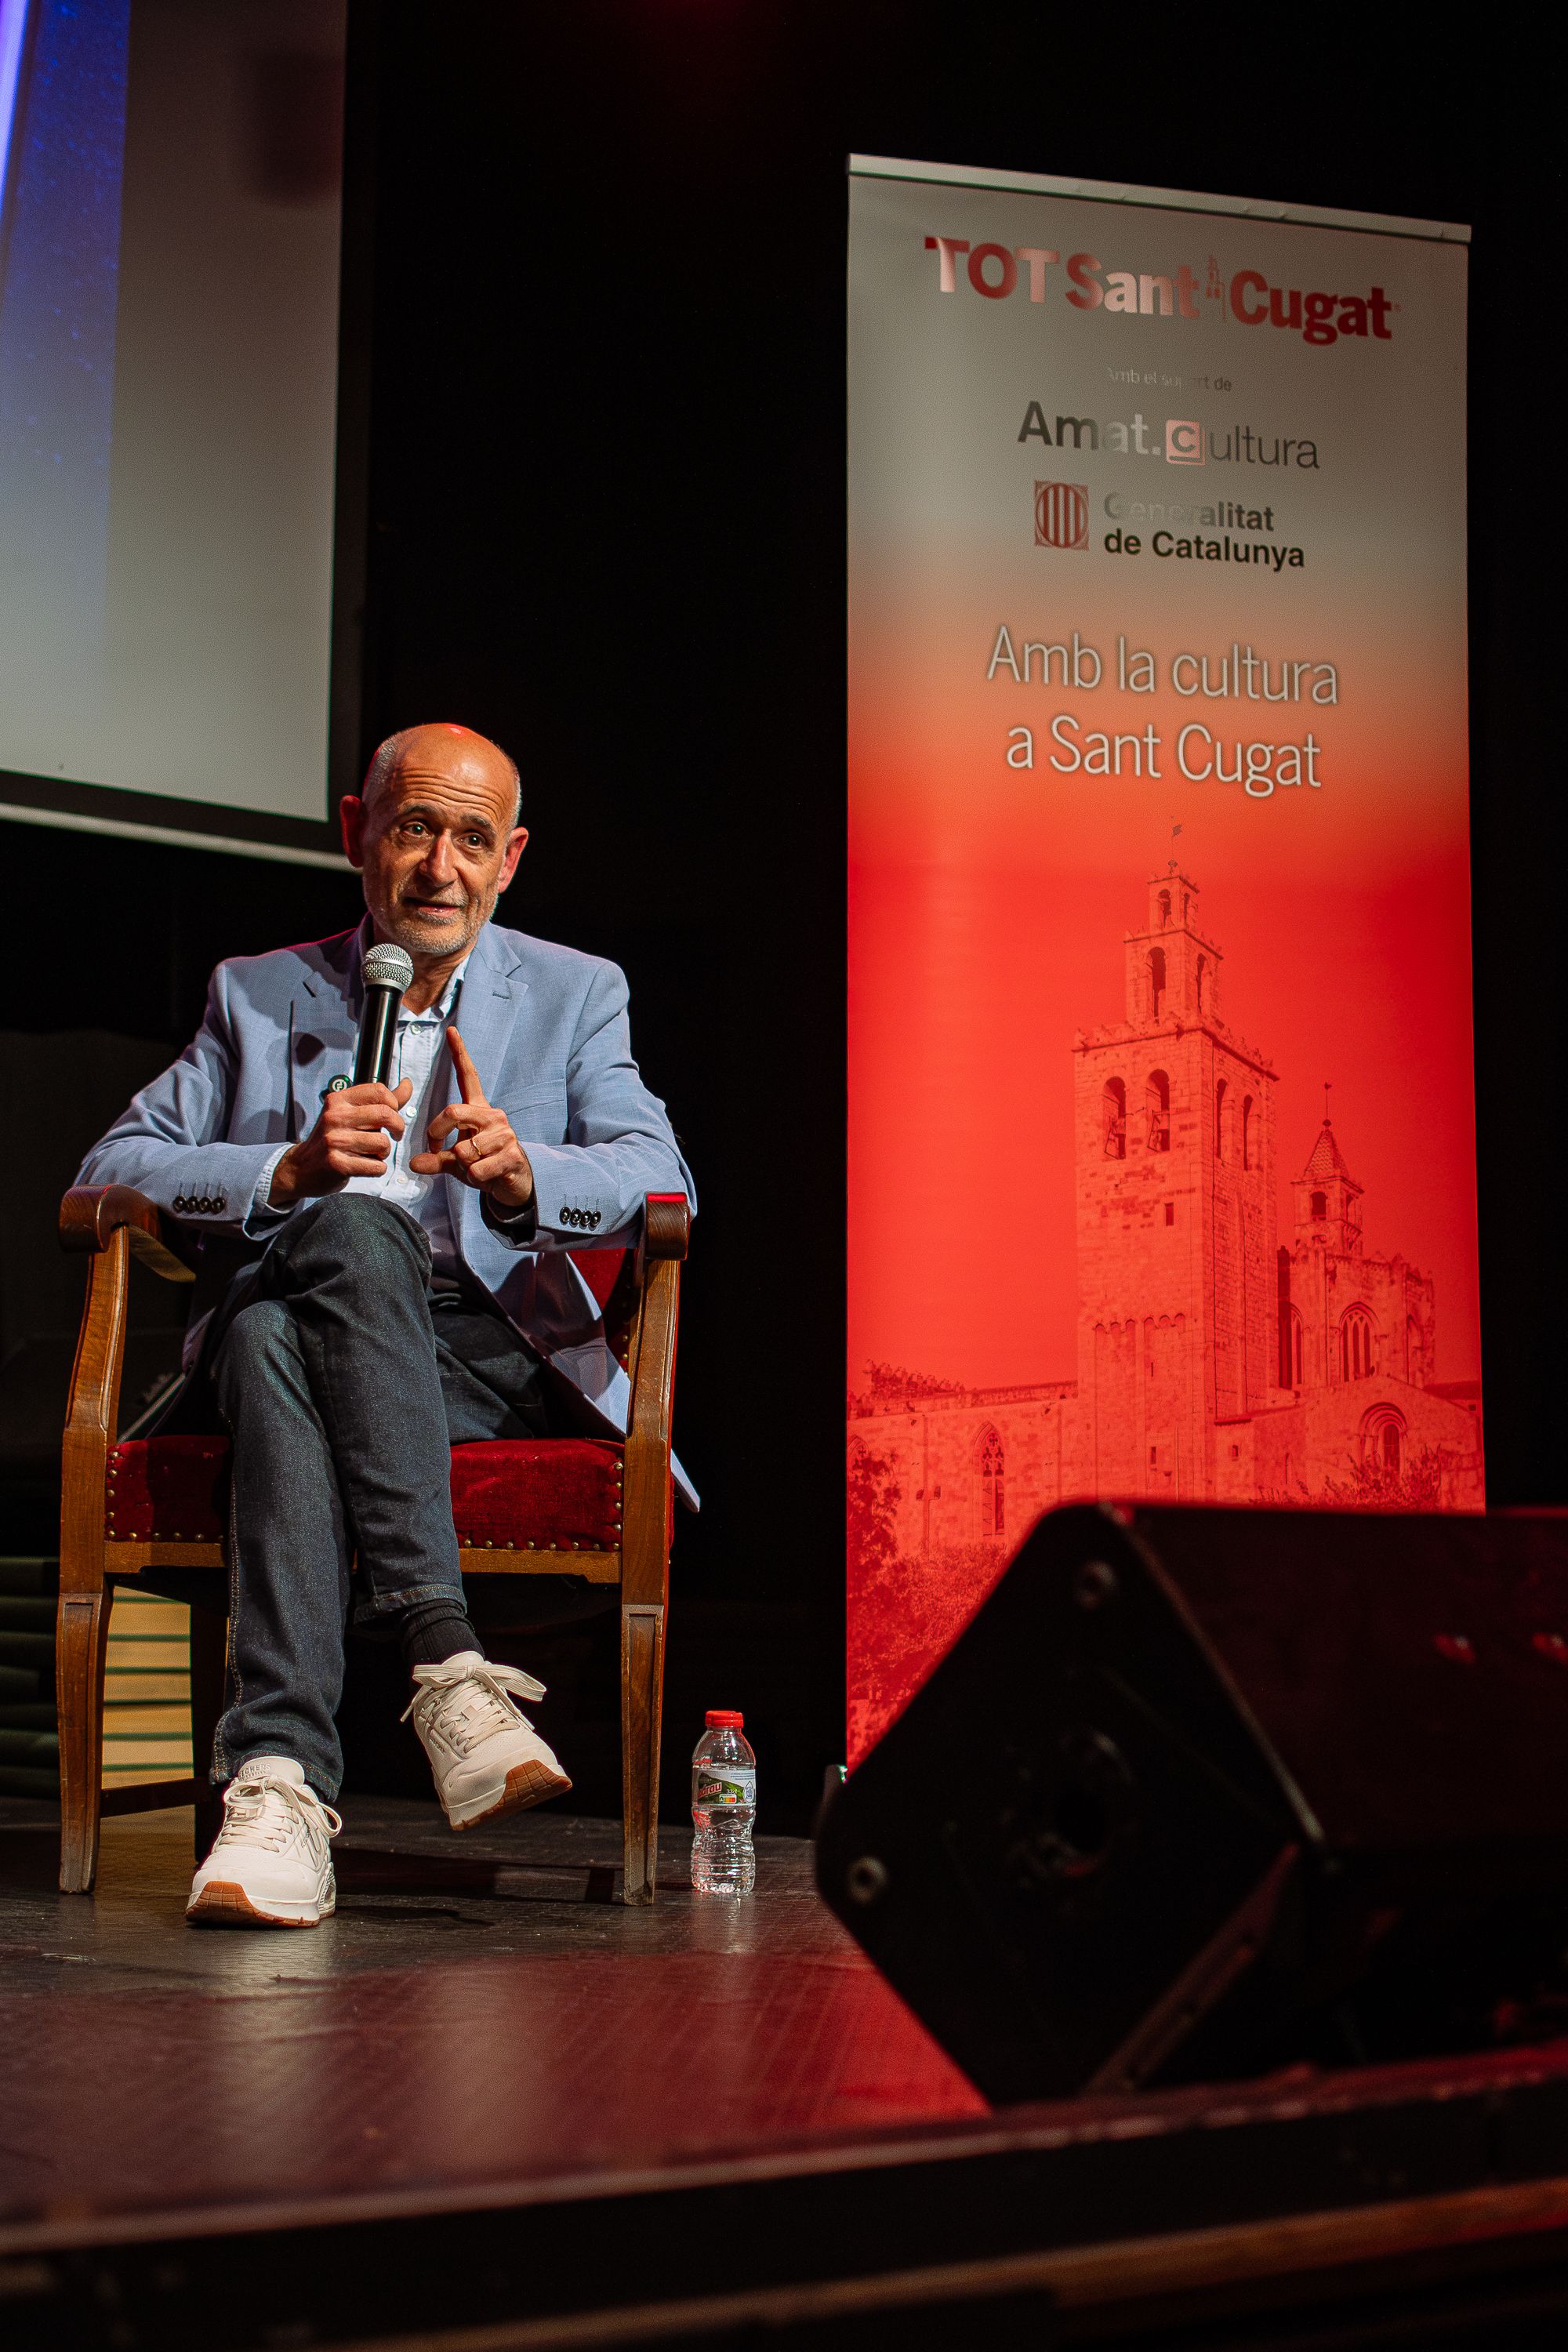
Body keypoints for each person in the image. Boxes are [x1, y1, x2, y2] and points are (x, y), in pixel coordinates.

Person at [78, 724, 694, 1928]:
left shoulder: (577, 993)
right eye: (415, 828)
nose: (441, 868)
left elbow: (662, 1172)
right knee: (329, 1258)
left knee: (271, 1349)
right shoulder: (255, 991)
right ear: (358, 832)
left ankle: (275, 1784)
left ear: (510, 858)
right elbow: (114, 1163)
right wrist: (285, 1171)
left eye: (472, 839)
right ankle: (446, 1666)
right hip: (306, 1298)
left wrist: (528, 1179)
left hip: (481, 1352)